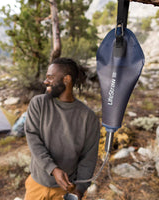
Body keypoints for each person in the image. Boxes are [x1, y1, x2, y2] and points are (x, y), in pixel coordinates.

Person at [24, 57, 100, 200]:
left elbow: (88, 159)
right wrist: (53, 169)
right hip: (36, 184)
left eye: (50, 77)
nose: (46, 81)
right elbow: (33, 140)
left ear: (66, 80)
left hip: (65, 190)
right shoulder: (39, 104)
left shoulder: (88, 118)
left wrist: (80, 189)